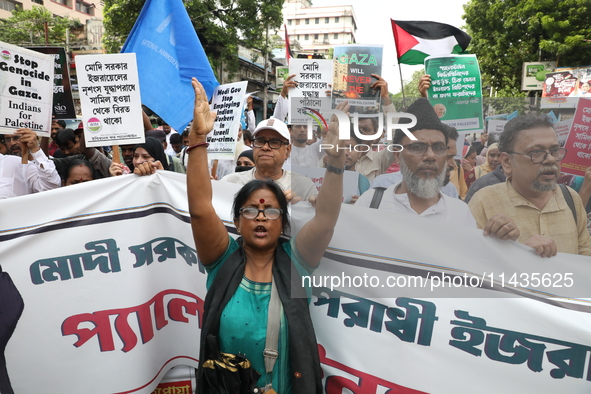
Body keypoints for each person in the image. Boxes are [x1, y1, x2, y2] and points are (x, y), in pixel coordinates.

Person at [187, 77, 345, 393]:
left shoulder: (296, 264)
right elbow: (201, 208)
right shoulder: (222, 261)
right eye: (250, 210)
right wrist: (198, 137)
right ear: (235, 221)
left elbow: (326, 218)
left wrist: (337, 161)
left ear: (284, 223)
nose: (261, 216)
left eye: (271, 211)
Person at [468, 115, 591, 256]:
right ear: (507, 162)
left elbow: (585, 260)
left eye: (555, 151)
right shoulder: (483, 201)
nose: (550, 159)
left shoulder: (571, 198)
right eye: (536, 152)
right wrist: (519, 255)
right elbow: (469, 265)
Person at [355, 99, 478, 228]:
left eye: (438, 147)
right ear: (397, 155)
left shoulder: (460, 213)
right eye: (418, 147)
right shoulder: (371, 203)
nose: (430, 156)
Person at [220, 117, 318, 203]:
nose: (265, 147)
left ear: (288, 150)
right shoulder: (229, 183)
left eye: (275, 142)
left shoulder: (305, 188)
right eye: (260, 141)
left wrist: (298, 211)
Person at [371, 124, 461, 199]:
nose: (453, 164)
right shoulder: (381, 186)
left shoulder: (450, 191)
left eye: (452, 157)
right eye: (447, 157)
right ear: (398, 155)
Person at [0, 128, 61, 199]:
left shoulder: (21, 165)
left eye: (16, 138)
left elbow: (51, 188)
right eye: (7, 139)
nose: (12, 143)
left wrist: (36, 151)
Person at [109, 137, 181, 176]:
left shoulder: (171, 180)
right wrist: (116, 180)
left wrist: (161, 176)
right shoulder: (126, 176)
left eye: (146, 157)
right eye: (136, 156)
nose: (138, 161)